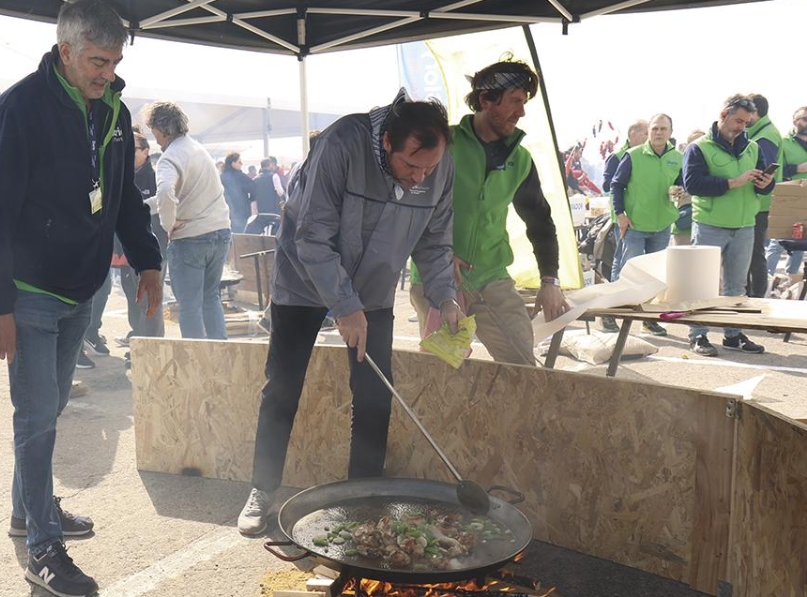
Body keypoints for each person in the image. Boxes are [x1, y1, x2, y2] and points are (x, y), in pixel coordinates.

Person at [0, 2, 163, 595]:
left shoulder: (114, 108)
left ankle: (29, 512)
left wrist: (148, 258)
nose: (106, 73)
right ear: (65, 52)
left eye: (114, 62)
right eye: (96, 62)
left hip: (84, 285)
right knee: (35, 418)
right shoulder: (18, 109)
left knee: (47, 412)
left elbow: (124, 194)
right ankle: (41, 548)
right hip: (28, 294)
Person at [236, 92, 462, 535]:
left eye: (429, 169)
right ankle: (262, 488)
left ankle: (362, 494)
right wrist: (344, 306)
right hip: (304, 278)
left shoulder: (438, 163)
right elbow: (312, 235)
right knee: (282, 386)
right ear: (387, 144)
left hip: (374, 285)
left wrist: (445, 296)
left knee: (376, 392)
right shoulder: (341, 144)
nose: (420, 178)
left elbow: (435, 240)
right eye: (411, 165)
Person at [407, 59, 567, 365]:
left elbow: (540, 222)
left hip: (492, 276)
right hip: (436, 277)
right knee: (441, 375)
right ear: (485, 100)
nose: (521, 112)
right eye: (515, 102)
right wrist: (436, 254)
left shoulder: (520, 159)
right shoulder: (444, 145)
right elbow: (407, 206)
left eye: (524, 103)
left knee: (522, 364)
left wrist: (551, 281)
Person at [682, 94, 775, 356]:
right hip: (710, 224)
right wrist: (733, 182)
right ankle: (697, 335)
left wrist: (766, 185)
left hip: (744, 226)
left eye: (746, 123)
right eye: (737, 121)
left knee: (736, 287)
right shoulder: (698, 148)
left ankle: (733, 334)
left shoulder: (754, 148)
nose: (741, 127)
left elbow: (766, 188)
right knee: (702, 284)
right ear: (723, 115)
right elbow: (693, 184)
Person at [144, 100, 232, 340]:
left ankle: (197, 364)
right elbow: (177, 194)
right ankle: (219, 356)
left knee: (190, 306)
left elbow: (165, 193)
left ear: (161, 130)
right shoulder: (197, 149)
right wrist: (144, 207)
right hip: (220, 231)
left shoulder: (169, 157)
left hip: (191, 238)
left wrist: (168, 224)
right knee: (210, 298)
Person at [610, 114, 683, 337]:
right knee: (628, 271)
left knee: (655, 275)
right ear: (649, 132)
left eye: (663, 129)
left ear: (670, 132)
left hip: (662, 224)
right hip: (634, 224)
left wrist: (680, 189)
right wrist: (621, 215)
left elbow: (681, 182)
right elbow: (616, 185)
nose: (659, 133)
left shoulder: (678, 157)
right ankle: (611, 313)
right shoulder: (633, 155)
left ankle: (648, 319)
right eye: (655, 129)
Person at [117, 131, 166, 359]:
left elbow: (165, 205)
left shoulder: (156, 177)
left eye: (133, 148)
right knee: (132, 298)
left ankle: (151, 349)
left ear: (146, 152)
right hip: (125, 250)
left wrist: (138, 207)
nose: (127, 152)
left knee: (150, 300)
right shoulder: (121, 175)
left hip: (151, 250)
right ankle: (138, 341)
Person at [598, 119, 648, 331]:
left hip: (642, 218)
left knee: (630, 262)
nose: (649, 136)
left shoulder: (646, 155)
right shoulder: (618, 156)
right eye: (646, 132)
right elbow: (608, 185)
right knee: (621, 261)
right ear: (634, 134)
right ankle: (611, 310)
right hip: (623, 217)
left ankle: (628, 311)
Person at [744, 94, 781, 298]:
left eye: (747, 112)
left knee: (754, 254)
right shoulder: (763, 132)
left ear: (755, 112)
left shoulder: (764, 137)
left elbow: (764, 172)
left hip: (759, 203)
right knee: (753, 253)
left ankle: (756, 299)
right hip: (759, 203)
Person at [766, 105, 807, 275]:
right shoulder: (783, 142)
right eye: (804, 119)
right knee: (779, 239)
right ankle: (767, 277)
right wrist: (798, 168)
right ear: (794, 121)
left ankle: (791, 280)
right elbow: (778, 169)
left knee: (802, 238)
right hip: (790, 197)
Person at [672, 129, 707, 247]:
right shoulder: (678, 163)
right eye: (694, 142)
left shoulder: (711, 164)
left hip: (706, 226)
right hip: (684, 224)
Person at [221, 151, 254, 232]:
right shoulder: (241, 176)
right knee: (240, 235)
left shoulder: (221, 177)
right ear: (233, 163)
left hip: (224, 212)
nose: (241, 164)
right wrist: (249, 201)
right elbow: (253, 188)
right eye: (239, 162)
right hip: (241, 212)